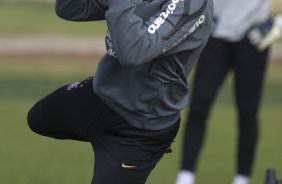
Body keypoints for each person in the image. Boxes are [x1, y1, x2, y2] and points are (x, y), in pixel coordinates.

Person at [27, 0, 213, 183]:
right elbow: (70, 8)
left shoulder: (192, 4)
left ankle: (141, 151)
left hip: (140, 128)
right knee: (38, 118)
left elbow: (134, 51)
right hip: (100, 96)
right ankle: (102, 139)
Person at [175, 1, 282, 184]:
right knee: (198, 107)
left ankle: (241, 179)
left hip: (254, 37)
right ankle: (185, 177)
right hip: (216, 34)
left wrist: (279, 24)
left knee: (248, 113)